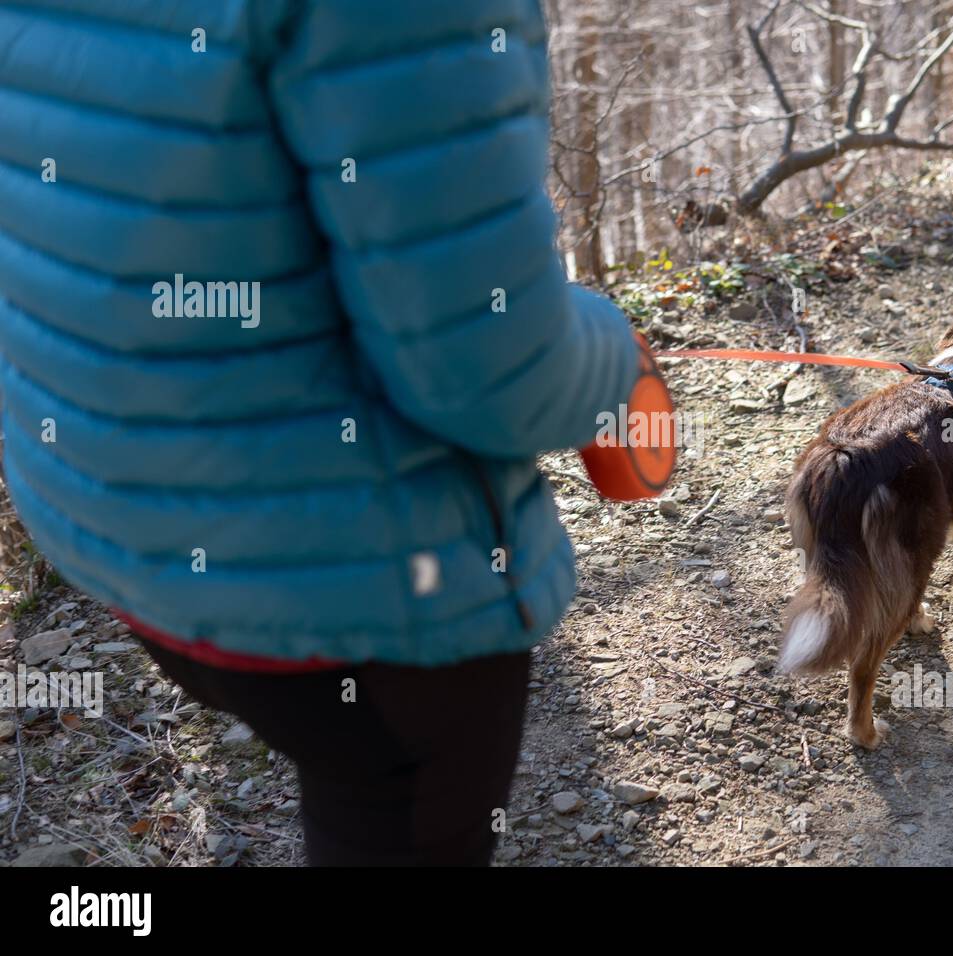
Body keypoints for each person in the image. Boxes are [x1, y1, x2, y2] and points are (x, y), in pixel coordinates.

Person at [0, 2, 644, 865]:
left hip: (114, 517)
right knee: (384, 789)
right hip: (363, 593)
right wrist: (617, 356)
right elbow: (493, 370)